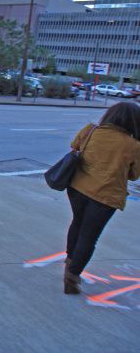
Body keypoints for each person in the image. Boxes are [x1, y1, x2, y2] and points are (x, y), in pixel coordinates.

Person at [64, 101, 140, 294]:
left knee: (77, 223)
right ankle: (72, 277)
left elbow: (74, 148)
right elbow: (133, 175)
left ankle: (70, 263)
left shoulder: (90, 130)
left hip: (77, 187)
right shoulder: (133, 145)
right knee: (89, 236)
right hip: (106, 196)